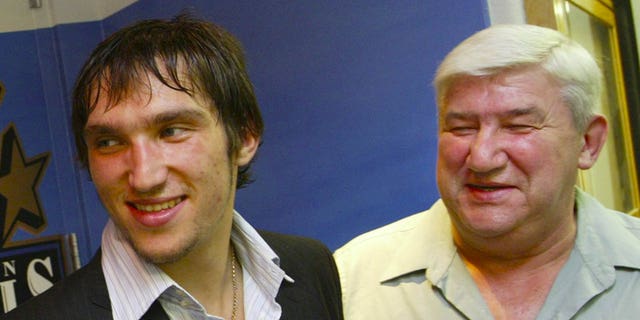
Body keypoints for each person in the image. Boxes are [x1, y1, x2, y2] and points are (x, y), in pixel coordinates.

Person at [5, 14, 342, 320]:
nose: (144, 176)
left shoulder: (311, 266)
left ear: (244, 136)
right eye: (109, 142)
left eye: (172, 131)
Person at [335, 24, 640, 319]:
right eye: (461, 128)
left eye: (517, 126)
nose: (481, 159)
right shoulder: (351, 283)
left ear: (587, 142)